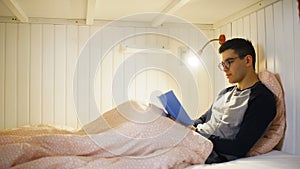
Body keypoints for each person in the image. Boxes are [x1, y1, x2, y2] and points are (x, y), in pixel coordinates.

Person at [191, 38, 276, 163]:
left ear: (247, 60)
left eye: (229, 62)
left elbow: (239, 147)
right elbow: (203, 119)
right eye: (223, 64)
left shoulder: (261, 99)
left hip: (210, 151)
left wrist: (198, 135)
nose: (225, 68)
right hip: (195, 140)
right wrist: (186, 125)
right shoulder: (225, 92)